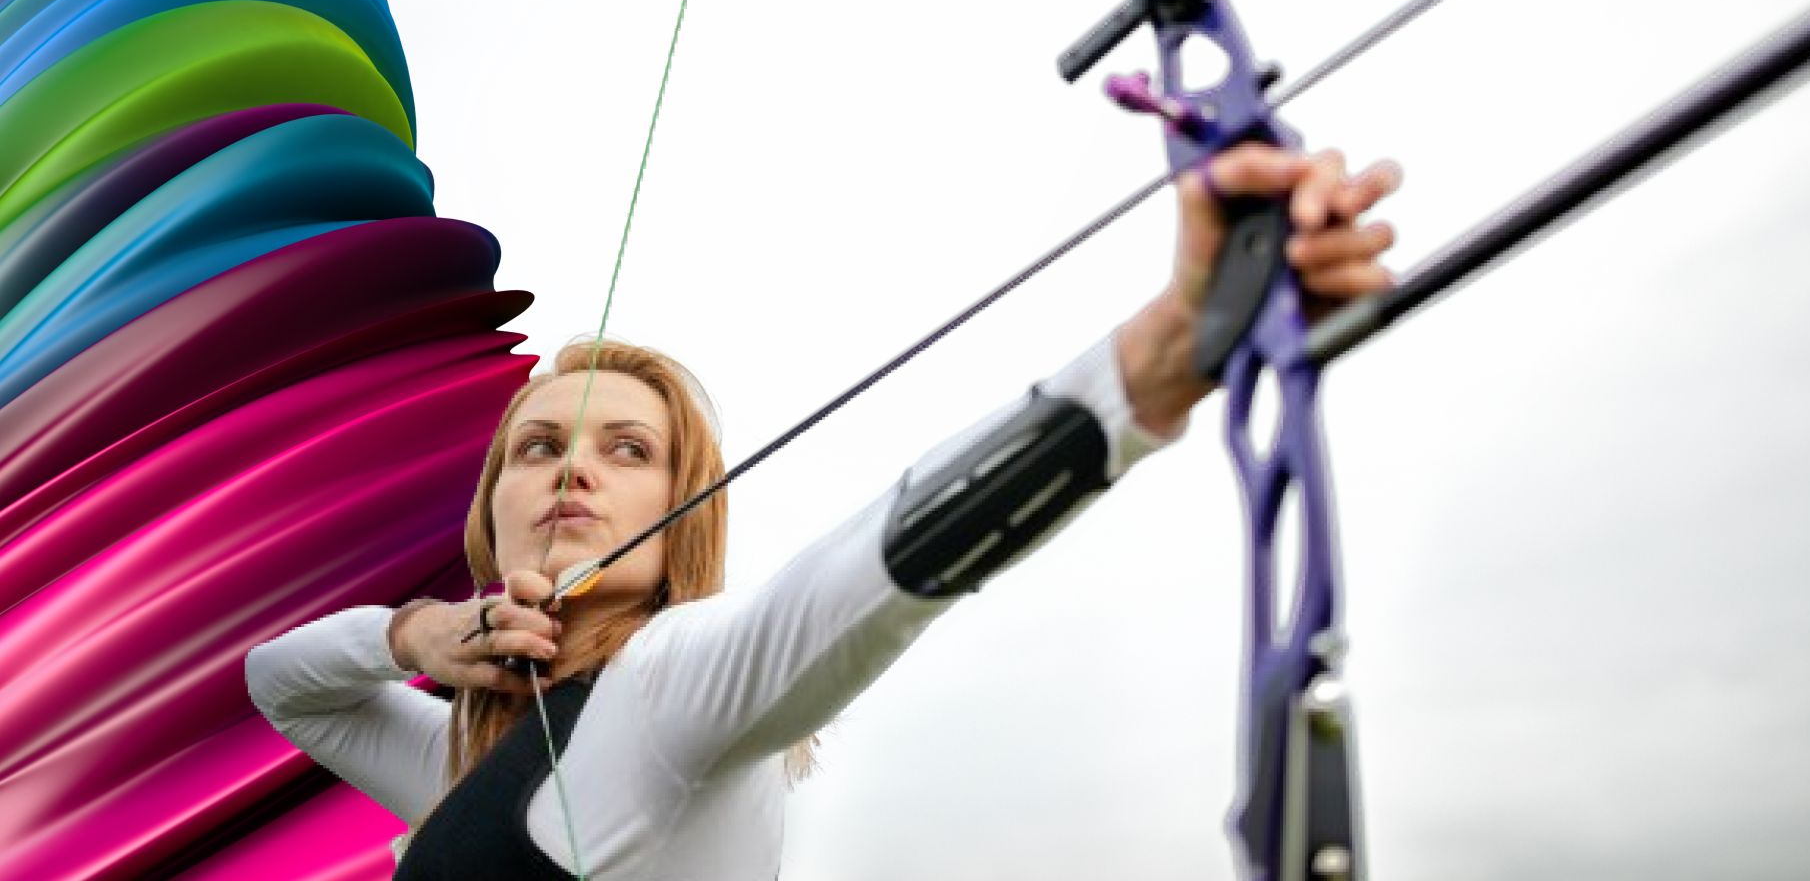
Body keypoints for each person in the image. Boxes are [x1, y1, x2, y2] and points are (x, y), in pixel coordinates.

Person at [245, 143, 1404, 879]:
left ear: (679, 521)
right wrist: (413, 635)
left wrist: (1148, 368)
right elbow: (279, 684)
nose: (573, 470)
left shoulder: (671, 683)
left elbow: (878, 567)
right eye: (539, 447)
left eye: (627, 449)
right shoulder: (464, 752)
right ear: (494, 504)